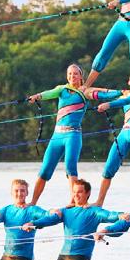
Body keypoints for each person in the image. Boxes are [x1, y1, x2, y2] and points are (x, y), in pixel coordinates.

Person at [27, 63, 96, 205]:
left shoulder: (85, 92)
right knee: (44, 170)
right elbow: (49, 93)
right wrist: (37, 96)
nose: (72, 76)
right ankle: (33, 203)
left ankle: (73, 202)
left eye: (75, 73)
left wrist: (121, 94)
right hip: (57, 136)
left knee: (70, 167)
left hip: (73, 135)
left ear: (81, 76)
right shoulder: (62, 89)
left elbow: (102, 93)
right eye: (69, 73)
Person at [91, 69, 130, 206]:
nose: (128, 82)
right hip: (124, 133)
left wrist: (108, 105)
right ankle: (99, 202)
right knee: (108, 168)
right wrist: (88, 90)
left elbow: (128, 100)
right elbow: (108, 94)